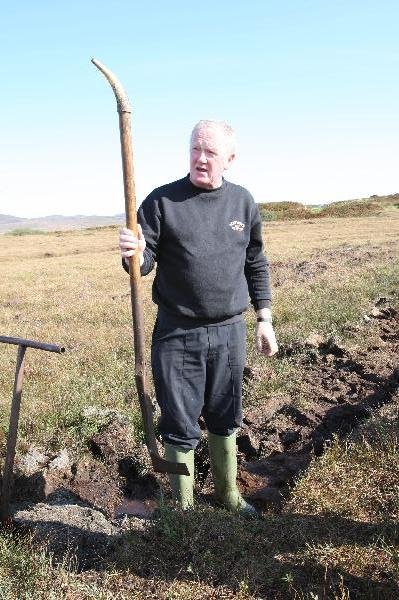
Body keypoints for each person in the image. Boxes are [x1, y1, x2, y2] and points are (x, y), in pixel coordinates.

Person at [119, 120, 278, 514]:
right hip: (177, 332)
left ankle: (228, 494)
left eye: (210, 152)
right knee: (178, 417)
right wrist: (133, 252)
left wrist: (264, 317)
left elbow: (255, 262)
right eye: (195, 149)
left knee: (226, 413)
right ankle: (185, 506)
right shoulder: (161, 202)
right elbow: (142, 266)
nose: (200, 158)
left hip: (228, 332)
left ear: (229, 159)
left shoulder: (243, 202)